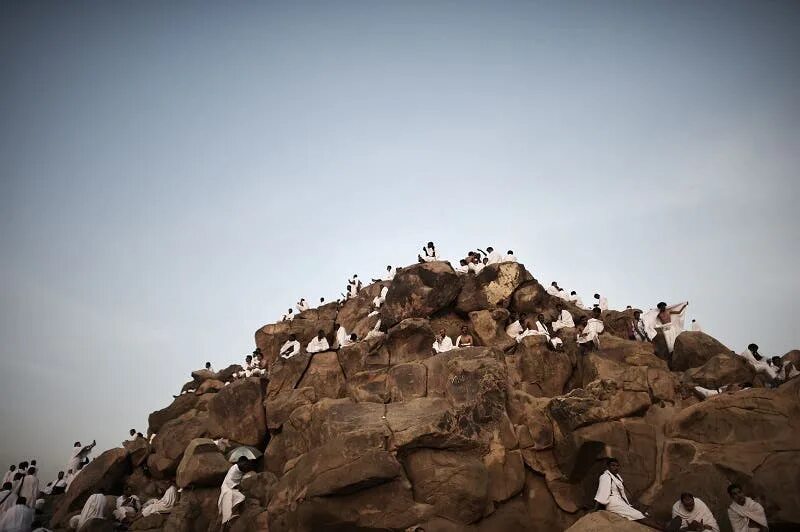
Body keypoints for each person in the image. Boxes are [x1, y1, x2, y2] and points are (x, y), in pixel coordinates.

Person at [593, 458, 662, 528]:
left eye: (617, 466)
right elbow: (601, 493)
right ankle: (662, 529)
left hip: (620, 501)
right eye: (613, 465)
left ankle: (660, 526)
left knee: (642, 513)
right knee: (638, 515)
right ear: (608, 467)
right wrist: (595, 509)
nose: (615, 468)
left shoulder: (617, 476)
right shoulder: (605, 477)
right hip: (613, 502)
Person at [219, 458, 251, 526]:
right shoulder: (234, 469)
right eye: (244, 464)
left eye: (246, 464)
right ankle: (230, 517)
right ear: (240, 463)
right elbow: (229, 482)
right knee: (241, 497)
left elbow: (239, 478)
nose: (245, 465)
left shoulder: (240, 470)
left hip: (233, 488)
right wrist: (238, 486)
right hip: (227, 488)